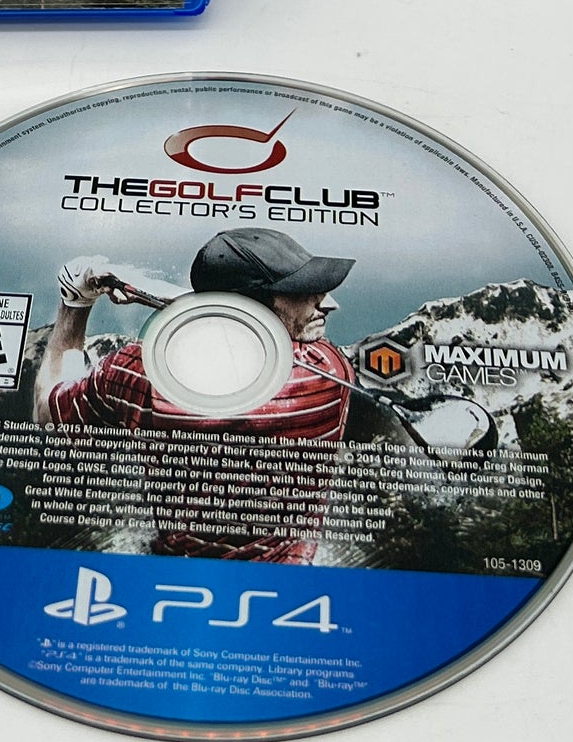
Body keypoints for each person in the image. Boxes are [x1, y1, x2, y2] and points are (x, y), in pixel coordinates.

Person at [32, 227, 357, 562]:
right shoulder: (329, 371)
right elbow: (247, 324)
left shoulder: (138, 372)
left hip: (178, 570)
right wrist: (181, 299)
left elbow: (48, 412)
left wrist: (76, 299)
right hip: (294, 576)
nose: (328, 303)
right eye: (304, 291)